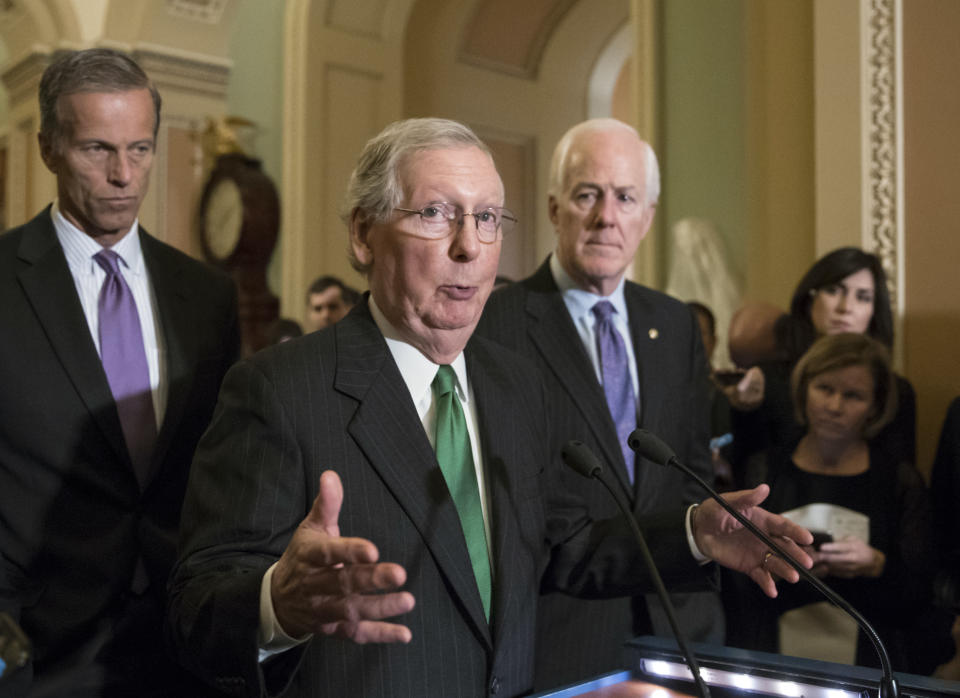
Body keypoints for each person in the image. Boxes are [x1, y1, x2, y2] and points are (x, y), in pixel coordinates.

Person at [166, 117, 812, 698]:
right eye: (435, 215)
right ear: (363, 234)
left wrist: (695, 532)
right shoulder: (279, 389)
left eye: (487, 219)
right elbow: (196, 606)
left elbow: (565, 545)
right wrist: (278, 604)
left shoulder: (515, 383)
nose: (469, 248)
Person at [0, 48, 239, 696]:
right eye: (97, 150)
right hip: (41, 660)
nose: (123, 175)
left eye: (140, 148)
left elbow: (220, 476)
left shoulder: (208, 298)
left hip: (184, 654)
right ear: (49, 148)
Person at [476, 117, 723, 688]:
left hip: (680, 633)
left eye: (625, 197)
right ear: (554, 207)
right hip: (562, 638)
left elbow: (690, 470)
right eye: (587, 194)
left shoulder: (674, 322)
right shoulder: (495, 324)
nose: (605, 216)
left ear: (648, 216)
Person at [724, 333, 934, 671]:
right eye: (825, 389)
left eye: (853, 396)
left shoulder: (897, 480)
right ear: (804, 388)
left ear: (876, 407)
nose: (835, 407)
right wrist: (774, 565)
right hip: (770, 659)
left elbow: (920, 596)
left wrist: (877, 565)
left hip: (871, 664)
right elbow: (733, 586)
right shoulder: (766, 469)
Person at [728, 247, 917, 483]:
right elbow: (743, 473)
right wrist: (744, 408)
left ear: (874, 311)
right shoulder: (767, 381)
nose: (845, 307)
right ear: (809, 299)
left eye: (863, 297)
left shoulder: (896, 391)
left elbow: (902, 484)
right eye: (833, 290)